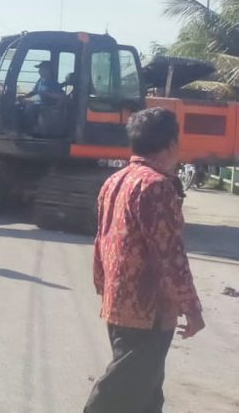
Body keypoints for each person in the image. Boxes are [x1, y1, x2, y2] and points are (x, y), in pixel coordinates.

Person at [84, 108, 205, 413]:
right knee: (121, 388)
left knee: (146, 389)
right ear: (170, 145)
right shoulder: (156, 185)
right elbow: (169, 254)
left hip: (118, 300)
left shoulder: (115, 180)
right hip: (147, 307)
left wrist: (103, 285)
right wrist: (190, 307)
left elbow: (100, 240)